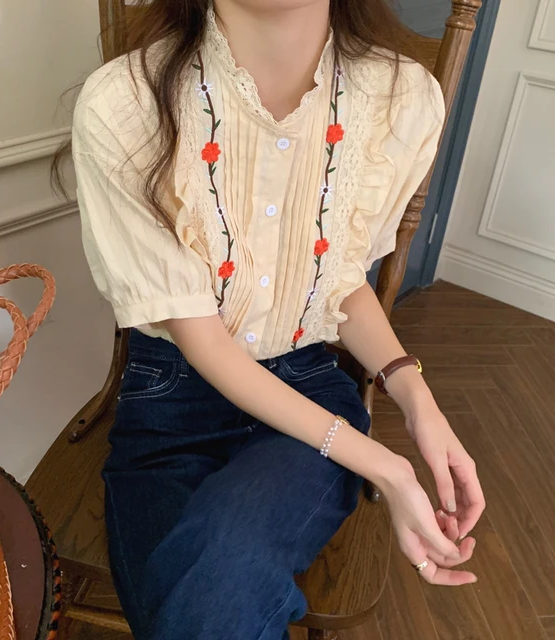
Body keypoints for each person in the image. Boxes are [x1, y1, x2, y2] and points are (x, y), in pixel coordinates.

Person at [70, 1, 486, 638]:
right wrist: (386, 466)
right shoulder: (126, 103)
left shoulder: (400, 99)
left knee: (218, 581)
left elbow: (340, 281)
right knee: (211, 597)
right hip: (172, 401)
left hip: (308, 387)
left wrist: (415, 395)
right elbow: (205, 343)